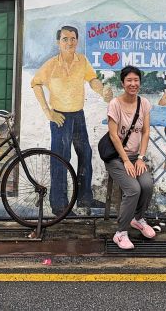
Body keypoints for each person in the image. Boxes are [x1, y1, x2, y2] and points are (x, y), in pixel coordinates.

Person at [31, 25, 112, 214]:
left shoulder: (82, 61)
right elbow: (35, 84)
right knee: (60, 159)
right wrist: (48, 112)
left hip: (78, 115)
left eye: (73, 38)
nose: (70, 42)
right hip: (60, 118)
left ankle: (85, 199)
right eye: (65, 39)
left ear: (77, 40)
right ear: (58, 42)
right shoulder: (51, 64)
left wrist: (102, 91)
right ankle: (59, 205)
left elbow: (92, 79)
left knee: (85, 154)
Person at [105, 65, 156, 250]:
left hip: (136, 157)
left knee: (147, 184)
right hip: (117, 158)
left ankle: (138, 219)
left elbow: (146, 131)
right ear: (123, 83)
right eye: (129, 80)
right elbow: (113, 136)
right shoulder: (115, 105)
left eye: (136, 80)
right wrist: (126, 160)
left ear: (140, 83)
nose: (133, 84)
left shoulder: (144, 104)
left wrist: (140, 158)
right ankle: (120, 233)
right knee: (133, 188)